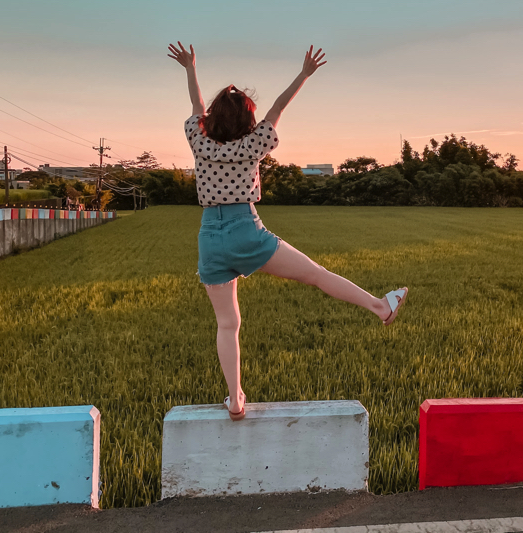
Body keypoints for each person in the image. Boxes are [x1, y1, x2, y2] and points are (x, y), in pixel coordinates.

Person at [167, 42, 408, 421]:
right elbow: (277, 108)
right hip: (247, 230)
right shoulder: (254, 143)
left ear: (211, 119)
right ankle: (380, 307)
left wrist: (190, 68)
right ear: (248, 120)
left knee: (227, 323)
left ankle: (234, 399)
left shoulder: (199, 140)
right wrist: (304, 74)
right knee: (316, 275)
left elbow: (197, 109)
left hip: (209, 237)